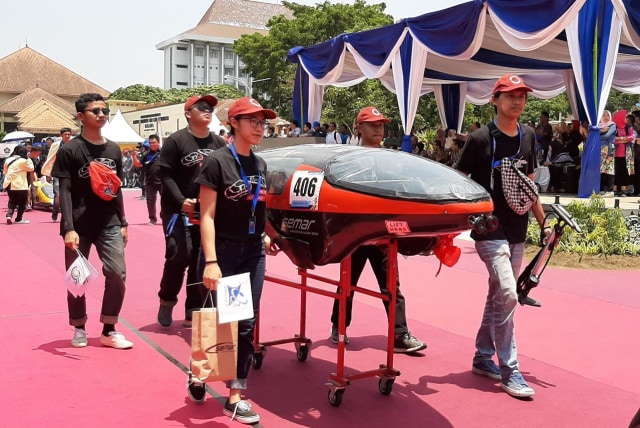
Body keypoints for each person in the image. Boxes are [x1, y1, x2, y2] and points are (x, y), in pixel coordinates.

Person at [455, 74, 550, 398]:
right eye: (510, 95)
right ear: (494, 99)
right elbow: (459, 181)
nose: (518, 101)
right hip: (489, 231)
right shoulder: (480, 138)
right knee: (509, 293)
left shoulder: (529, 137)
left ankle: (483, 357)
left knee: (498, 293)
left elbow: (530, 185)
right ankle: (510, 371)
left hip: (518, 231)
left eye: (522, 95)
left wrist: (544, 224)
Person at [192, 97, 276, 424]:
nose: (259, 127)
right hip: (223, 251)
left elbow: (260, 207)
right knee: (218, 319)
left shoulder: (261, 165)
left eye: (262, 122)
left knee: (245, 324)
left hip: (252, 251)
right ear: (234, 123)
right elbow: (207, 216)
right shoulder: (217, 162)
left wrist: (266, 235)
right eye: (252, 120)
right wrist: (211, 261)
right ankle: (199, 370)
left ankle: (236, 395)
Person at [329, 106, 427, 354]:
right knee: (347, 284)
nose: (378, 128)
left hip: (383, 235)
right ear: (358, 128)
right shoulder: (346, 159)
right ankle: (338, 326)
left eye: (381, 124)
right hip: (355, 235)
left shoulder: (391, 160)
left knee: (392, 286)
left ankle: (399, 335)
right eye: (372, 124)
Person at [51, 93, 132, 349]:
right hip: (79, 225)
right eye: (95, 111)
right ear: (80, 117)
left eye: (104, 110)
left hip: (108, 222)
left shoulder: (113, 149)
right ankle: (79, 326)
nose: (101, 114)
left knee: (118, 273)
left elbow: (116, 188)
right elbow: (63, 191)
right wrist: (68, 228)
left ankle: (109, 328)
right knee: (77, 278)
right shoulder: (70, 150)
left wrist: (123, 221)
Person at [156, 95, 226, 328]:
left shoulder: (218, 142)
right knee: (180, 254)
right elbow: (164, 175)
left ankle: (193, 306)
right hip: (178, 209)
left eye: (211, 108)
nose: (208, 111)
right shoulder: (176, 141)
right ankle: (166, 300)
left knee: (201, 256)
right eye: (202, 107)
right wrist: (180, 200)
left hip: (206, 210)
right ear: (188, 113)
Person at [42, 128, 73, 221]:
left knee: (70, 195)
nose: (67, 136)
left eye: (69, 134)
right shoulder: (55, 145)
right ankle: (55, 212)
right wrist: (48, 173)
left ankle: (67, 215)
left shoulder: (74, 144)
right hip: (58, 172)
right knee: (58, 194)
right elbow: (50, 159)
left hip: (71, 173)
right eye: (65, 134)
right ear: (61, 135)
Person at [3, 146, 34, 224]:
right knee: (23, 202)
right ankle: (18, 218)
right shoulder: (23, 161)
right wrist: (29, 159)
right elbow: (31, 168)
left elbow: (5, 171)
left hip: (9, 183)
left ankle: (9, 215)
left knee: (13, 200)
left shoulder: (8, 159)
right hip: (20, 184)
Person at [142, 134, 162, 224]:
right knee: (150, 201)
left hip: (163, 181)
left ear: (158, 142)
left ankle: (165, 215)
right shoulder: (146, 154)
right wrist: (134, 157)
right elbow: (138, 164)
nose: (152, 144)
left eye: (154, 142)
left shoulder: (164, 152)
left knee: (166, 201)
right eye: (150, 143)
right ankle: (152, 218)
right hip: (150, 181)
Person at [599, 110, 617, 195]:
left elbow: (607, 136)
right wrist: (601, 131)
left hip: (609, 149)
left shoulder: (612, 125)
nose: (606, 117)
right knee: (601, 169)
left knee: (609, 169)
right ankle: (601, 189)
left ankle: (610, 191)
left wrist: (598, 134)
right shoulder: (599, 126)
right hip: (601, 149)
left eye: (607, 115)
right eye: (604, 115)